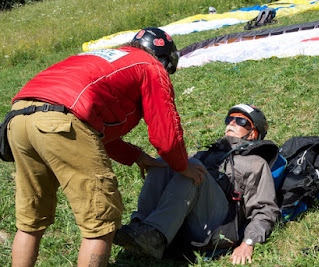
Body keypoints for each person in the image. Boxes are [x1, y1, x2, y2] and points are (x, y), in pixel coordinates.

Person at [7, 27, 206, 267]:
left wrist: (137, 156)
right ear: (165, 60)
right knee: (100, 222)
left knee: (31, 219)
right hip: (63, 119)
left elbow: (93, 134)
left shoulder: (106, 58)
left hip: (18, 119)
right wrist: (181, 165)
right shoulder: (151, 66)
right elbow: (166, 131)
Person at [114, 104, 280, 265]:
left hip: (221, 225)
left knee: (194, 167)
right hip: (189, 219)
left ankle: (156, 236)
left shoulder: (256, 163)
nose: (232, 123)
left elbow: (265, 209)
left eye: (242, 121)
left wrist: (248, 242)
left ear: (253, 134)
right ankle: (141, 227)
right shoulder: (204, 154)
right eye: (230, 118)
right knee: (164, 163)